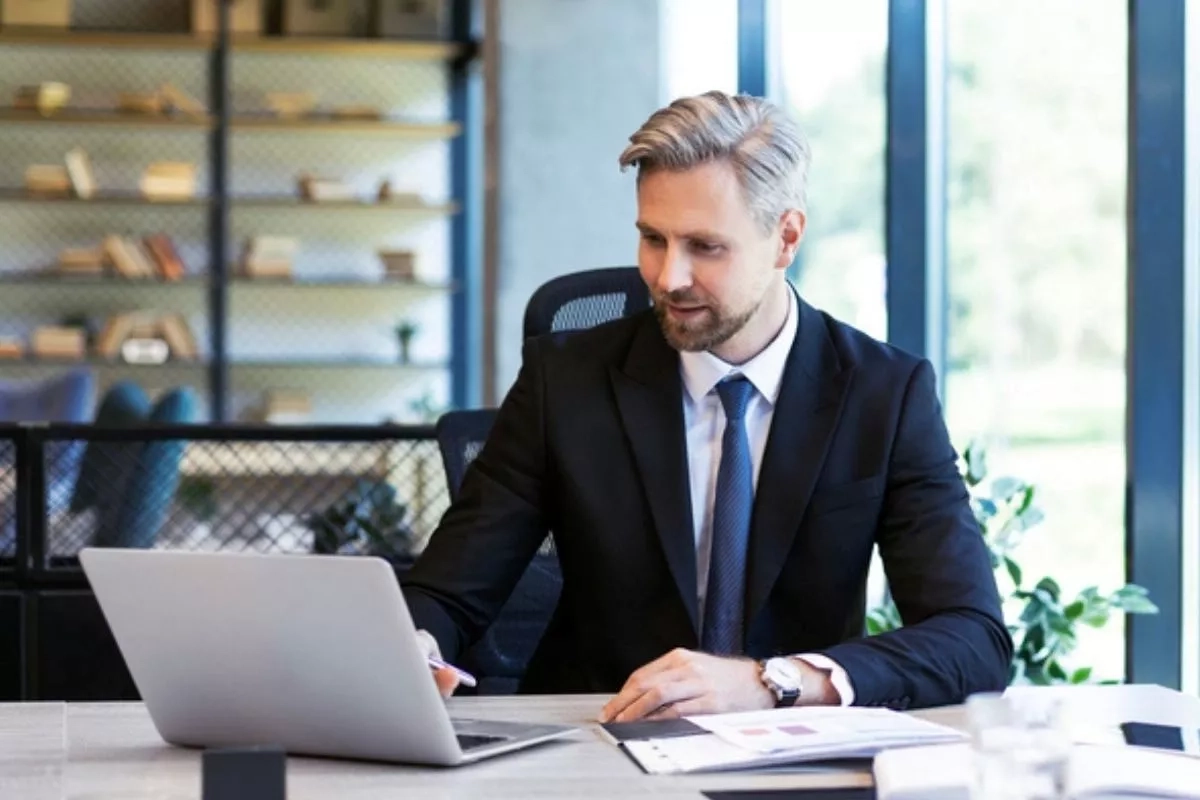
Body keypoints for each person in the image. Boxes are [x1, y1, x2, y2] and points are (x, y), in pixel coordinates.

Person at [403, 90, 1011, 722]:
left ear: (786, 237)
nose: (668, 277)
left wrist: (774, 680)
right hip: (601, 741)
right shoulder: (566, 380)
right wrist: (415, 647)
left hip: (794, 753)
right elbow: (447, 593)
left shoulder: (884, 393)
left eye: (705, 246)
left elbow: (973, 639)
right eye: (653, 239)